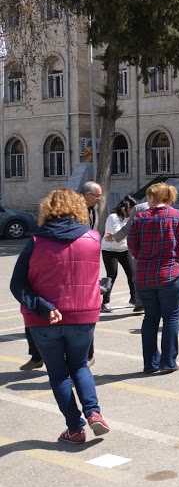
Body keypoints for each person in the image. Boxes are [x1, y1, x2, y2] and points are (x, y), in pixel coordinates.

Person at [9, 189, 111, 444]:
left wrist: (42, 306)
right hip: (83, 314)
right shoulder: (93, 238)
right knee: (79, 365)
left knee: (58, 374)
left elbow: (17, 284)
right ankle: (94, 412)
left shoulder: (35, 242)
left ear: (48, 209)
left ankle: (75, 428)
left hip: (44, 318)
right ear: (78, 209)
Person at [129, 183, 179, 375]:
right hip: (170, 274)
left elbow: (132, 245)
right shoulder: (177, 216)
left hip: (144, 275)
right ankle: (168, 362)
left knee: (150, 318)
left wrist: (143, 256)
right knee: (171, 318)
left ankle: (150, 363)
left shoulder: (140, 217)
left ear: (152, 197)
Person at [101, 196, 138, 312]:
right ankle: (105, 302)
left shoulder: (130, 218)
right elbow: (118, 235)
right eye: (133, 208)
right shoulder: (113, 217)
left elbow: (120, 236)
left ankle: (134, 299)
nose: (134, 211)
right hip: (110, 250)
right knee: (112, 275)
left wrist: (118, 236)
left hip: (124, 249)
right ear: (127, 207)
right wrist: (118, 236)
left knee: (132, 273)